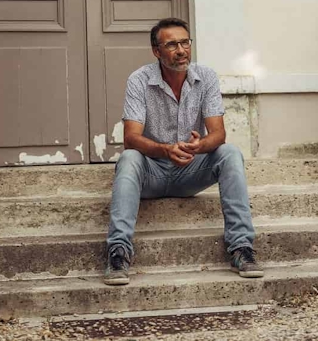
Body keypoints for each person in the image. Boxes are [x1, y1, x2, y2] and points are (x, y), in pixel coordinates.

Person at [104, 17, 263, 286]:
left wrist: (200, 145)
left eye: (185, 43)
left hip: (191, 169)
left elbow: (218, 134)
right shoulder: (139, 80)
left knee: (230, 153)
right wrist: (165, 150)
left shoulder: (206, 77)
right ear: (156, 51)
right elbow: (131, 138)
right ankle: (118, 252)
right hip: (151, 172)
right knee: (129, 157)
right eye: (172, 45)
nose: (181, 51)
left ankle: (241, 248)